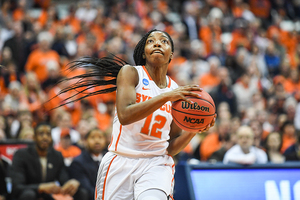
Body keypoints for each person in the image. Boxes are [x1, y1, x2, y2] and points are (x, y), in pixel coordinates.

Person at [56, 29, 216, 200]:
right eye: (150, 41)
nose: (157, 43)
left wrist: (193, 129)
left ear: (171, 55)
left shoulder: (176, 91)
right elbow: (125, 115)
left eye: (164, 41)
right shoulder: (131, 73)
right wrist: (165, 97)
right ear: (144, 53)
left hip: (156, 163)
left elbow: (170, 148)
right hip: (121, 160)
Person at [10, 122, 88, 200]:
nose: (45, 137)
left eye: (48, 134)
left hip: (48, 196)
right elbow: (17, 186)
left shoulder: (57, 155)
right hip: (28, 194)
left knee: (81, 193)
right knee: (29, 194)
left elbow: (63, 180)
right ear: (34, 137)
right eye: (41, 134)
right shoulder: (21, 154)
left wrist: (72, 183)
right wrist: (40, 187)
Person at [69, 128, 107, 200]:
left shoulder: (110, 159)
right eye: (93, 137)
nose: (97, 141)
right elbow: (87, 188)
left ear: (105, 141)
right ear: (85, 141)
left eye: (100, 137)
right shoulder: (78, 162)